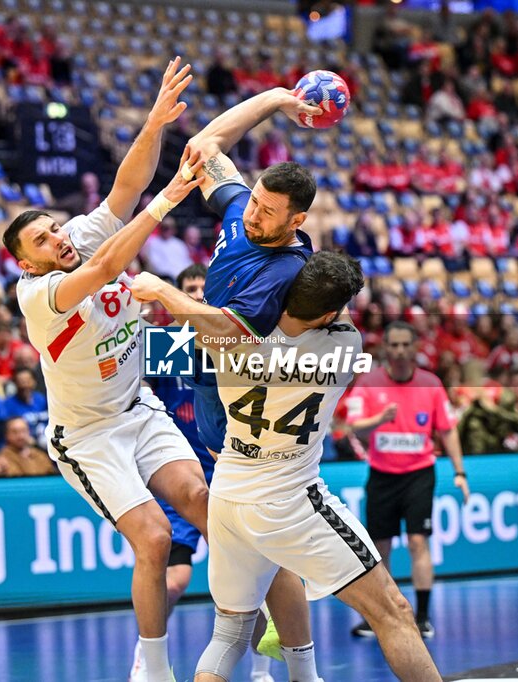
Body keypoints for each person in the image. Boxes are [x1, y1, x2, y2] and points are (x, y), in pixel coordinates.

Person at [132, 252, 440, 682]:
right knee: (393, 610)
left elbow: (175, 342)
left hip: (228, 491)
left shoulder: (226, 339)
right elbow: (328, 303)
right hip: (288, 496)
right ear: (331, 313)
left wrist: (165, 295)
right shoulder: (343, 345)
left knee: (227, 636)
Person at [4, 58, 208, 682]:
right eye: (42, 240)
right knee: (151, 538)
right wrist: (171, 197)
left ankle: (240, 640)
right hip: (87, 436)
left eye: (55, 228)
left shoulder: (82, 238)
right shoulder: (38, 295)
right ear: (28, 264)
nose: (58, 238)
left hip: (138, 407)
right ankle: (153, 666)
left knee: (207, 505)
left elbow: (123, 188)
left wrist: (153, 125)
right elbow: (102, 268)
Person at [128, 85, 328, 678]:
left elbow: (230, 335)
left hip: (242, 405)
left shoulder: (286, 266)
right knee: (249, 552)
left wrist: (165, 292)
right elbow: (205, 144)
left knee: (258, 551)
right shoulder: (245, 216)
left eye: (267, 211)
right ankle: (281, 662)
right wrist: (274, 98)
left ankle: (289, 665)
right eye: (254, 201)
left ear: (298, 220)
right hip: (206, 385)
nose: (251, 213)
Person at [131, 264, 274, 682]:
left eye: (200, 289)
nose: (195, 295)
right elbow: (136, 391)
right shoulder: (170, 344)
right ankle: (147, 656)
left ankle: (262, 670)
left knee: (249, 578)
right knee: (173, 581)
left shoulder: (234, 341)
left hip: (231, 475)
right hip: (180, 480)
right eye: (187, 289)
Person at [342, 321, 469, 639]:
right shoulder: (369, 383)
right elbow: (354, 428)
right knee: (380, 546)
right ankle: (380, 618)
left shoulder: (431, 383)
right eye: (393, 345)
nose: (399, 351)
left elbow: (447, 430)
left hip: (419, 474)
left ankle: (423, 617)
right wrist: (381, 419)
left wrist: (460, 472)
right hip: (382, 475)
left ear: (414, 348)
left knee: (417, 541)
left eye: (405, 345)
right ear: (385, 348)